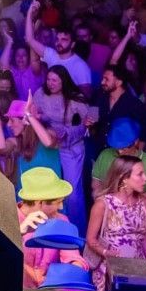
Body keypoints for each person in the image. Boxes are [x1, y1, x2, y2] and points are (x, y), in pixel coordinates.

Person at [86, 154, 146, 291]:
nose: (145, 179)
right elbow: (91, 240)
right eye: (140, 174)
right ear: (124, 178)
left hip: (138, 270)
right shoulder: (103, 204)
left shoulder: (144, 204)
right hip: (110, 271)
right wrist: (107, 253)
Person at [32, 65, 90, 226]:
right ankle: (54, 227)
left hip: (71, 148)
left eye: (55, 80)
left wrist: (69, 131)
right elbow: (33, 116)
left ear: (63, 81)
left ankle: (78, 230)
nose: (50, 83)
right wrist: (40, 119)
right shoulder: (40, 94)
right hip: (49, 147)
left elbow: (92, 118)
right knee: (51, 189)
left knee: (73, 193)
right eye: (48, 79)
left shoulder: (76, 97)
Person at [17, 167, 87, 289]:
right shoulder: (8, 218)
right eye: (58, 202)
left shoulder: (62, 220)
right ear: (40, 202)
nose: (61, 207)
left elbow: (73, 257)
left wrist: (75, 268)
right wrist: (18, 232)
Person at [24, 0, 92, 96]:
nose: (59, 42)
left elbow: (87, 96)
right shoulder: (51, 54)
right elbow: (30, 39)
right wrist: (29, 13)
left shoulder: (80, 66)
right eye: (57, 39)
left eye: (64, 40)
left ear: (72, 44)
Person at [90, 118, 146, 207]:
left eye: (125, 147)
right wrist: (102, 200)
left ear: (136, 141)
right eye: (117, 147)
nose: (120, 151)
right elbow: (96, 182)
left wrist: (127, 199)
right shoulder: (105, 155)